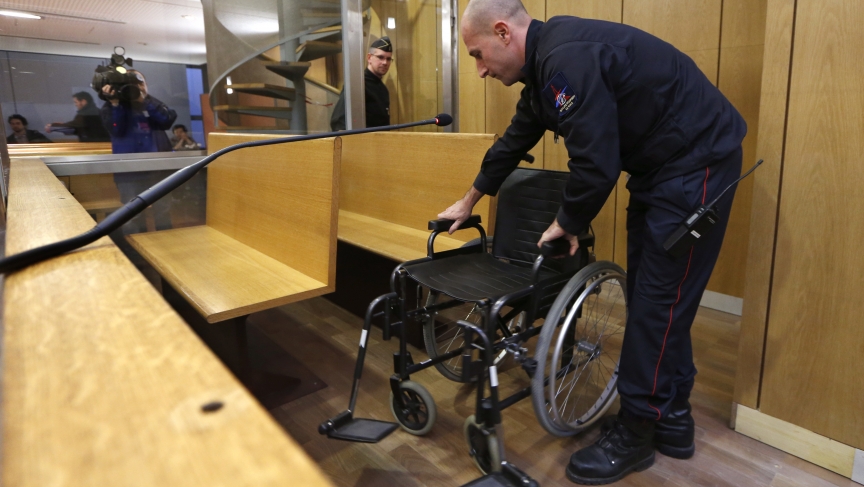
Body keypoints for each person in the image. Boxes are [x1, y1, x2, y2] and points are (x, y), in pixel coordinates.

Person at [439, 1, 746, 484]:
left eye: (478, 54)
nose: (478, 70)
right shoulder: (545, 69)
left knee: (657, 303)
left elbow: (596, 164)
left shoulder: (566, 60)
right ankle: (674, 420)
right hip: (661, 169)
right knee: (657, 298)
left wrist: (568, 222)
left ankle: (638, 429)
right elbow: (515, 140)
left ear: (502, 32)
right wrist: (469, 199)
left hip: (696, 164)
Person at [100, 69, 177, 235]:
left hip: (158, 170)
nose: (137, 87)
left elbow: (167, 119)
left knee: (163, 211)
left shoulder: (151, 104)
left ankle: (168, 249)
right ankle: (135, 256)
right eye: (131, 84)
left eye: (140, 82)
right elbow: (117, 129)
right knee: (132, 217)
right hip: (129, 172)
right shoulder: (110, 107)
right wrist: (115, 103)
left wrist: (144, 99)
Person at [330, 36, 393, 130]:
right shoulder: (358, 84)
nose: (385, 62)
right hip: (363, 142)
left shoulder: (383, 89)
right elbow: (339, 121)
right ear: (369, 57)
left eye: (388, 59)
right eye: (380, 57)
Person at [44, 91, 111, 142]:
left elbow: (72, 127)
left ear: (83, 102)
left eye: (76, 102)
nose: (75, 105)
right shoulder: (96, 111)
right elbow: (76, 129)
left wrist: (52, 127)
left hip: (93, 146)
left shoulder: (86, 114)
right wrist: (60, 125)